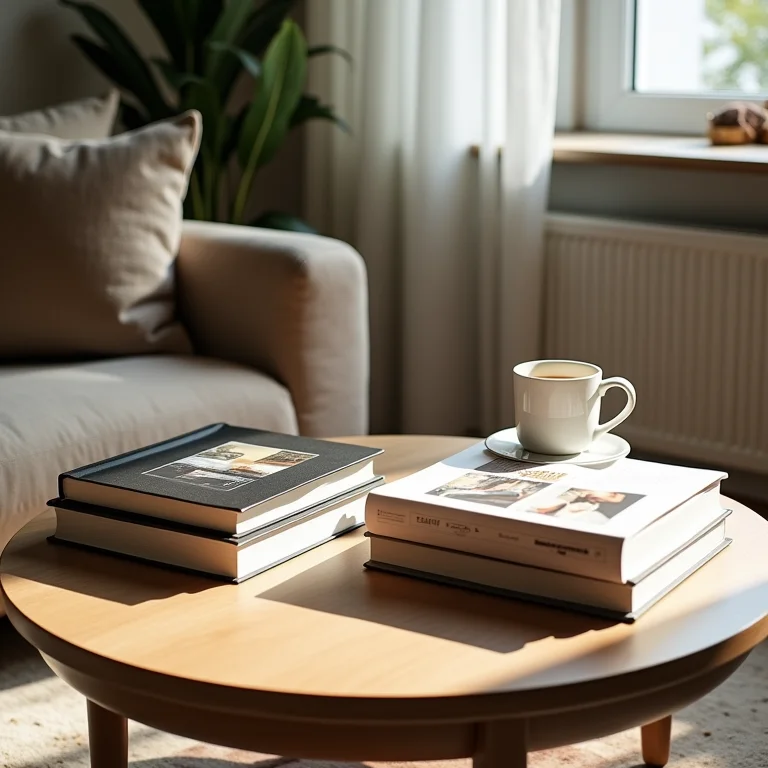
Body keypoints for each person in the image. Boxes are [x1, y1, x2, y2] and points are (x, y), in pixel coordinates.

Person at [531, 488, 627, 524]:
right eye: (612, 494)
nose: (599, 500)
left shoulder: (589, 506)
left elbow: (544, 510)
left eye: (603, 501)